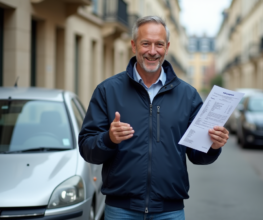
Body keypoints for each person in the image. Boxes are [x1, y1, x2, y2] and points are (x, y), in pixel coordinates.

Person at [79, 16, 229, 220]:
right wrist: (109, 139)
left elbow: (197, 155)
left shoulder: (188, 95)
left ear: (167, 47)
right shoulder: (107, 91)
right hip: (121, 210)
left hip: (170, 211)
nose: (152, 51)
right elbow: (87, 149)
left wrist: (213, 145)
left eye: (159, 44)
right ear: (133, 45)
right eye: (145, 43)